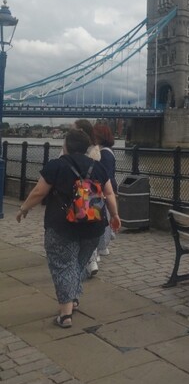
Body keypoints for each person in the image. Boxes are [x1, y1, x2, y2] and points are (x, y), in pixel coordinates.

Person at [16, 128, 121, 328]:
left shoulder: (57, 165)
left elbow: (38, 192)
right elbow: (109, 193)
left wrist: (24, 209)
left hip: (62, 226)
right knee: (77, 265)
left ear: (66, 146)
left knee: (63, 265)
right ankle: (73, 298)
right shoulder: (98, 167)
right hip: (93, 227)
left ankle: (65, 315)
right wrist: (115, 215)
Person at [74, 119, 101, 277]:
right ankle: (91, 259)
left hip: (80, 192)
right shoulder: (96, 151)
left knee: (80, 225)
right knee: (90, 224)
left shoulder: (76, 150)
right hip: (92, 194)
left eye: (74, 128)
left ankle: (86, 261)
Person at [93, 123, 117, 257]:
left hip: (105, 189)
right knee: (104, 216)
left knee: (103, 217)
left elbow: (105, 175)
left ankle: (102, 246)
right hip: (109, 188)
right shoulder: (107, 151)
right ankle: (103, 245)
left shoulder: (104, 154)